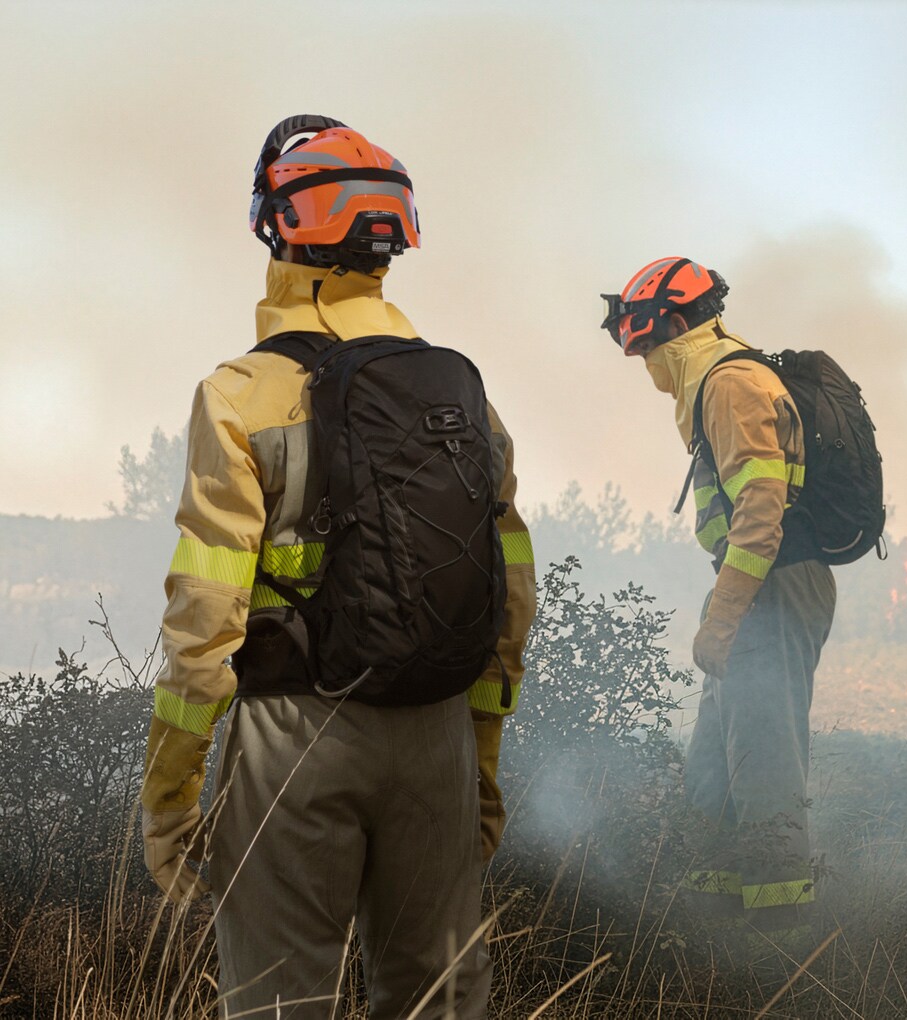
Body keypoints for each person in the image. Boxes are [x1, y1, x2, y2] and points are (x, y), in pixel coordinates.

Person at [138, 115, 537, 1019]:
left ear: (278, 230)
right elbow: (512, 599)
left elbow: (205, 615)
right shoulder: (463, 394)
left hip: (292, 735)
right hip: (436, 731)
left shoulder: (239, 395)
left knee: (279, 1002)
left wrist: (172, 794)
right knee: (439, 999)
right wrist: (478, 765)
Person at [600, 258, 836, 944]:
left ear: (675, 324)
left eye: (645, 342)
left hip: (770, 585)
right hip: (755, 583)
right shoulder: (720, 375)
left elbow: (762, 507)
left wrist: (725, 614)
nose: (643, 359)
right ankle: (712, 931)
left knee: (762, 762)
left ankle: (779, 941)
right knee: (714, 771)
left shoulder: (730, 382)